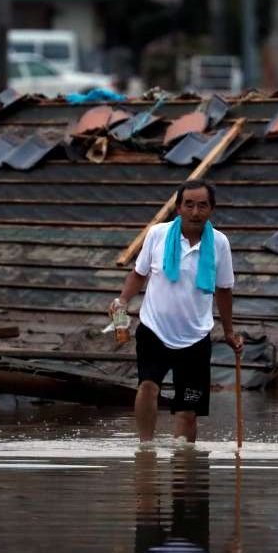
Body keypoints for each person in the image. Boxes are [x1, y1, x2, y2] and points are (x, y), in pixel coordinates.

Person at [111, 181, 244, 442]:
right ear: (179, 208)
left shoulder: (219, 243)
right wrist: (123, 301)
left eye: (202, 205)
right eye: (189, 205)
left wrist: (229, 332)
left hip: (195, 336)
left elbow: (224, 290)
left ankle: (184, 465)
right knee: (148, 386)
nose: (195, 212)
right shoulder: (157, 234)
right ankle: (146, 450)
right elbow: (139, 274)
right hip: (154, 328)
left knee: (188, 410)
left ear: (211, 209)